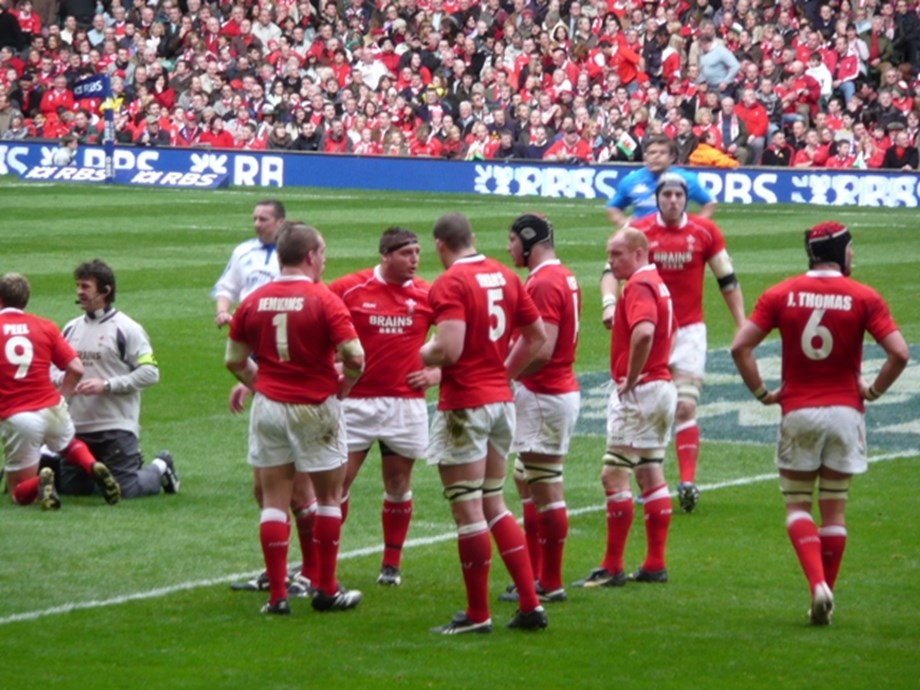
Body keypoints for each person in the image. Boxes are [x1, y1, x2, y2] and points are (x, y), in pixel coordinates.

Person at [730, 222, 909, 625]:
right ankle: (826, 593)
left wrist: (762, 393)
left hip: (798, 411)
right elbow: (898, 353)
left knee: (797, 504)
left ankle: (816, 585)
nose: (854, 256)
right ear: (839, 251)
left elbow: (741, 346)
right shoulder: (864, 296)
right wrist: (873, 391)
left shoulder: (779, 293)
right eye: (851, 249)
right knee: (834, 511)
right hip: (847, 412)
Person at [225, 221, 365, 615]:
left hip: (268, 406)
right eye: (322, 253)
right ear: (310, 256)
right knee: (328, 498)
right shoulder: (324, 299)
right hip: (315, 405)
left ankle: (277, 597)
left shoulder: (254, 300)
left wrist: (261, 381)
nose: (325, 260)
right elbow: (355, 357)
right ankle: (326, 588)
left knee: (273, 500)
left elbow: (233, 360)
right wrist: (346, 384)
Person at [420, 212, 549, 635]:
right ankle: (530, 605)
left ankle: (477, 615)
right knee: (494, 501)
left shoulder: (450, 283)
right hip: (499, 402)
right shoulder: (505, 275)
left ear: (440, 244)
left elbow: (450, 349)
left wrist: (419, 354)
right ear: (471, 238)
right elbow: (537, 337)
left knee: (467, 508)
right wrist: (504, 373)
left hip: (465, 406)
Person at [327, 227, 438, 586]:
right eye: (407, 254)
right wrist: (331, 363)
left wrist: (435, 372)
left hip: (404, 403)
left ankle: (391, 564)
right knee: (336, 484)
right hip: (354, 402)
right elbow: (316, 322)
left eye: (418, 253)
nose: (415, 260)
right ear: (386, 255)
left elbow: (459, 333)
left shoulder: (426, 294)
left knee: (398, 481)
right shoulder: (350, 288)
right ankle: (320, 565)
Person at [217, 200, 315, 597]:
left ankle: (310, 574)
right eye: (254, 219)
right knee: (265, 490)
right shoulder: (254, 281)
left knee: (300, 491)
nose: (257, 224)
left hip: (298, 395)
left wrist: (252, 375)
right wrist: (253, 378)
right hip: (269, 383)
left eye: (264, 219)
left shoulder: (311, 294)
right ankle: (278, 573)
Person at [632, 174, 746, 512]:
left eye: (678, 195)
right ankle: (651, 485)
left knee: (685, 405)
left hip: (690, 333)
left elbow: (727, 278)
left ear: (686, 198)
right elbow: (613, 271)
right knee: (649, 409)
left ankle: (687, 482)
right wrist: (612, 305)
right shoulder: (640, 232)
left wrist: (742, 325)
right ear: (657, 198)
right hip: (651, 330)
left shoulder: (705, 231)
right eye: (666, 194)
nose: (672, 200)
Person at [573, 227, 677, 588]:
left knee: (613, 474)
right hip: (662, 385)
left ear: (638, 253)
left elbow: (645, 331)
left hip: (642, 389)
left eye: (617, 255)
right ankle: (654, 563)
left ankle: (612, 566)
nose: (611, 262)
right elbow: (672, 331)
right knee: (650, 470)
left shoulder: (638, 285)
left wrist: (632, 376)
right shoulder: (659, 283)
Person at [43, 260, 179, 499]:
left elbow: (150, 372)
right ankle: (124, 464)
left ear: (105, 291)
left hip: (115, 427)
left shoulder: (127, 329)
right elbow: (51, 369)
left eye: (85, 286)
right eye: (78, 286)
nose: (79, 292)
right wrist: (65, 381)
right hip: (77, 428)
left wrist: (107, 385)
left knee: (126, 490)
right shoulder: (70, 329)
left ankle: (161, 465)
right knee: (74, 490)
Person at [500, 213, 581, 605]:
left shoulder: (545, 282)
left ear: (529, 242)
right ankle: (534, 572)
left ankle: (549, 580)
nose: (508, 248)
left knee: (547, 488)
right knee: (525, 479)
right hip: (550, 393)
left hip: (546, 393)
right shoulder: (560, 275)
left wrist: (502, 376)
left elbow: (542, 347)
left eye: (512, 240)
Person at [0, 272, 120, 509]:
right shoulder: (45, 326)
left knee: (17, 492)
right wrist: (61, 399)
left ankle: (40, 482)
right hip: (52, 407)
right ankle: (91, 464)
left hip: (19, 416)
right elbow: (76, 368)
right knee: (67, 443)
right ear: (25, 299)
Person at [601, 135, 716, 328]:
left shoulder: (685, 180)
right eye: (651, 152)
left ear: (672, 157)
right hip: (639, 243)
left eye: (662, 153)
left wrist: (696, 227)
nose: (656, 157)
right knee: (619, 272)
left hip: (673, 242)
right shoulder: (632, 181)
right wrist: (625, 224)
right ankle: (613, 307)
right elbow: (613, 207)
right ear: (645, 155)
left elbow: (709, 202)